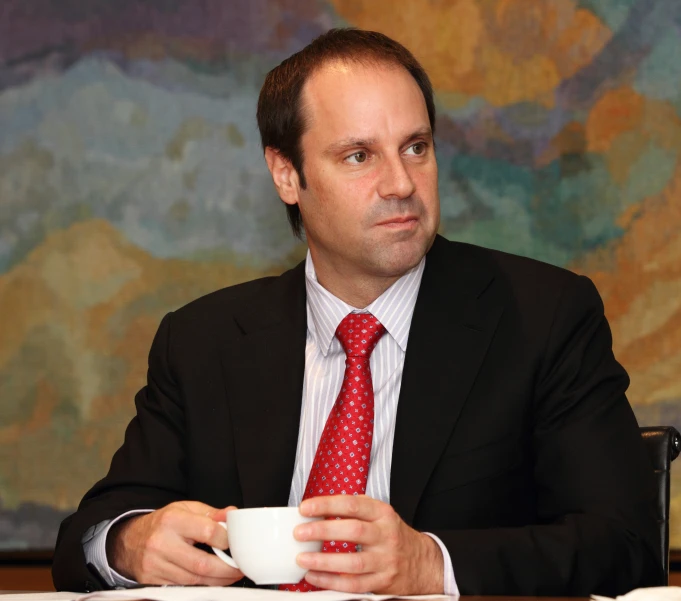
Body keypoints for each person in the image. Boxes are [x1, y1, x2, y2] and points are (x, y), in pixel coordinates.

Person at [52, 28, 662, 596]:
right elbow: (90, 533)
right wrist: (130, 544)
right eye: (359, 156)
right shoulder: (203, 340)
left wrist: (431, 563)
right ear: (287, 174)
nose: (401, 183)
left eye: (416, 148)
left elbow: (625, 544)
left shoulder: (543, 316)